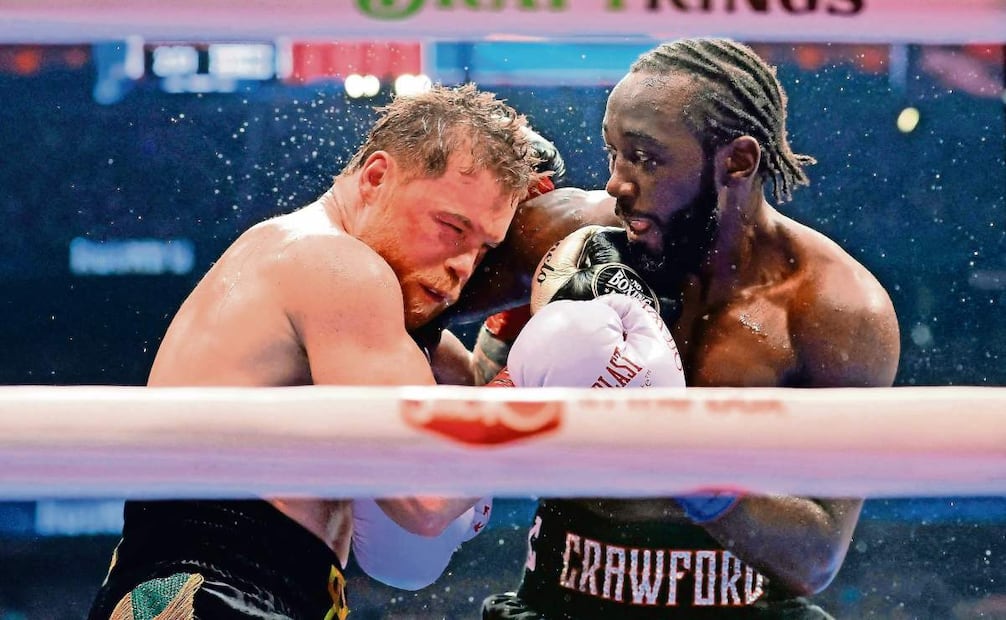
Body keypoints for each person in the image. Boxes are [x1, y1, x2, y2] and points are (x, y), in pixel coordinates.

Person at [475, 37, 902, 619]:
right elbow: (406, 314)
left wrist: (675, 452)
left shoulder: (834, 311)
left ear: (738, 162)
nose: (618, 185)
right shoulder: (569, 237)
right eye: (614, 155)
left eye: (646, 159)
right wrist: (496, 369)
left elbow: (816, 558)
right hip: (563, 597)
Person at [86, 83, 546, 620]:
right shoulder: (338, 266)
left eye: (483, 248)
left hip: (241, 589)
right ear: (376, 177)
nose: (463, 267)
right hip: (217, 588)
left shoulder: (309, 267)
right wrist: (533, 376)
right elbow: (426, 498)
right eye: (450, 227)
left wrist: (514, 329)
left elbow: (463, 398)